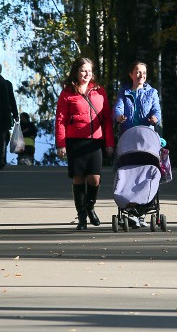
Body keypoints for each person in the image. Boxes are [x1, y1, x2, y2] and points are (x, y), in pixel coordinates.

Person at [55, 57, 115, 230]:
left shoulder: (99, 91)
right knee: (78, 178)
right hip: (75, 141)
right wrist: (61, 144)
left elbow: (107, 120)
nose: (86, 74)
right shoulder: (67, 93)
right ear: (76, 72)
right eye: (83, 70)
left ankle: (90, 206)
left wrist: (109, 142)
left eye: (89, 71)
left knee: (95, 179)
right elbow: (60, 120)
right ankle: (81, 216)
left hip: (95, 141)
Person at [112, 61, 162, 227]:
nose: (142, 76)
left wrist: (155, 118)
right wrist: (119, 116)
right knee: (129, 174)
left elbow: (156, 110)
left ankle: (139, 212)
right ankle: (133, 210)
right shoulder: (124, 92)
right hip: (128, 139)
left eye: (144, 73)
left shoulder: (152, 92)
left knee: (147, 173)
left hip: (146, 140)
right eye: (138, 72)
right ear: (131, 74)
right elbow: (118, 108)